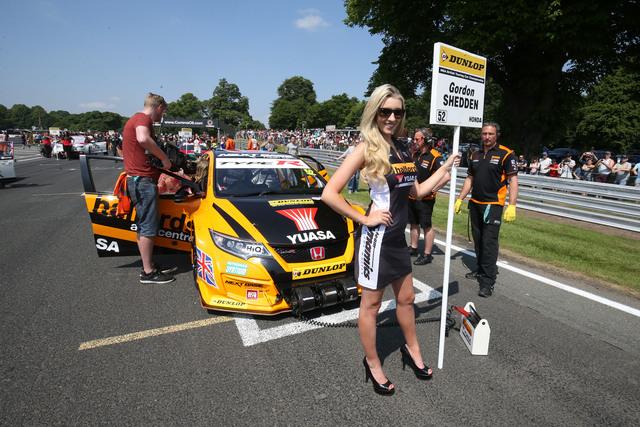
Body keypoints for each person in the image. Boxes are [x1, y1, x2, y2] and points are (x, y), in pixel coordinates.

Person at [321, 84, 460, 396]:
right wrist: (363, 218)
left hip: (398, 238)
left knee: (407, 299)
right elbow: (329, 193)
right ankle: (372, 363)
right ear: (375, 112)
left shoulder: (403, 148)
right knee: (371, 304)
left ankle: (412, 350)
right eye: (385, 111)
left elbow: (417, 192)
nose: (392, 117)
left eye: (397, 112)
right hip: (377, 239)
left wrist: (444, 171)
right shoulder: (366, 148)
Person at [454, 122, 518, 297]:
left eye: (490, 134)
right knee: (478, 241)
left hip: (493, 205)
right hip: (475, 203)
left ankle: (488, 281)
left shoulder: (506, 154)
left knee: (489, 243)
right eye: (484, 133)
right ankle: (481, 269)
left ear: (497, 135)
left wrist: (512, 205)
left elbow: (513, 180)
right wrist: (460, 199)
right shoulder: (475, 154)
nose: (487, 137)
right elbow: (470, 179)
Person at [122, 93, 176, 284]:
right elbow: (143, 138)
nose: (162, 115)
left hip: (139, 180)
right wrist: (164, 158)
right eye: (163, 111)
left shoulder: (136, 119)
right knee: (148, 226)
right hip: (142, 181)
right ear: (159, 107)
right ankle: (148, 272)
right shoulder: (143, 119)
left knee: (145, 224)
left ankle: (149, 265)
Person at [407, 128, 446, 265]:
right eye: (414, 139)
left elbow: (446, 176)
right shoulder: (415, 153)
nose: (414, 141)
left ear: (426, 139)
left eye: (417, 139)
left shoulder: (435, 156)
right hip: (411, 196)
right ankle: (413, 247)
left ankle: (427, 254)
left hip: (426, 199)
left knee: (426, 225)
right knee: (413, 223)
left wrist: (433, 189)